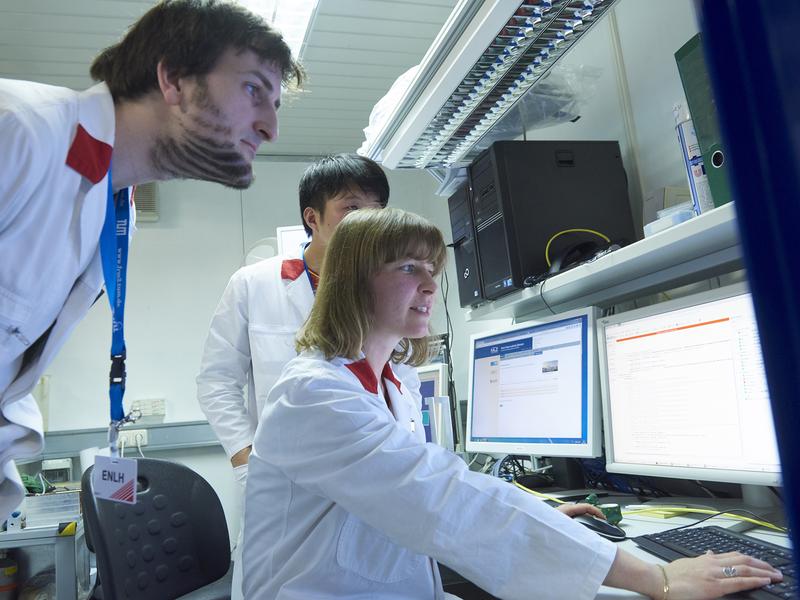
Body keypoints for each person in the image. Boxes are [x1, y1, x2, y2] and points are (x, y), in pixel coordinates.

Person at [242, 207, 783, 599]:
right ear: (352, 282)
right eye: (409, 268)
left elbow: (427, 490)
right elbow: (444, 501)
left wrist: (539, 515)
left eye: (434, 269)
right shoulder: (315, 395)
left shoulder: (389, 386)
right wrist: (658, 578)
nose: (431, 285)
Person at [0, 0, 304, 519]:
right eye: (254, 90)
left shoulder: (116, 208)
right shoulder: (21, 128)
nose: (271, 127)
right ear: (174, 80)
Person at [196, 153, 422, 599]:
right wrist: (245, 459)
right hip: (287, 489)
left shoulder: (390, 289)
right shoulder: (254, 284)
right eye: (353, 208)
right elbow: (216, 381)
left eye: (378, 210)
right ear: (312, 217)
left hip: (377, 483)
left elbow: (405, 383)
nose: (369, 221)